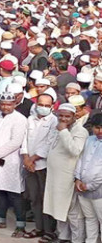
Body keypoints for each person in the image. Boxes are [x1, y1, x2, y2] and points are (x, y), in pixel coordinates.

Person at [0, 91, 29, 237]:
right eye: (3, 104)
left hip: (11, 162)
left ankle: (20, 225)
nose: (5, 107)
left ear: (14, 104)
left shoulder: (20, 119)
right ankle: (0, 219)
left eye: (9, 104)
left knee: (14, 194)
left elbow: (16, 142)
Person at [44, 103, 90, 243]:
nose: (63, 119)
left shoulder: (80, 131)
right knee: (58, 208)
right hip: (54, 176)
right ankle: (63, 237)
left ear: (74, 117)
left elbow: (75, 150)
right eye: (61, 116)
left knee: (72, 212)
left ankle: (77, 240)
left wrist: (64, 131)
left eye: (67, 116)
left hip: (68, 177)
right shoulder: (57, 127)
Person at [20, 94, 59, 239]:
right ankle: (39, 227)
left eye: (46, 105)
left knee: (46, 198)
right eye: (40, 104)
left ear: (52, 106)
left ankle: (49, 231)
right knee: (34, 197)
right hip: (29, 165)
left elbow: (49, 143)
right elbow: (23, 139)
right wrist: (26, 157)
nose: (43, 107)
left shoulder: (54, 121)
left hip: (43, 165)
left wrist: (33, 158)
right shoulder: (30, 119)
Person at [74, 113, 102, 243]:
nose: (99, 131)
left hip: (99, 191)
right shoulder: (90, 140)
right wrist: (78, 179)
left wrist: (90, 185)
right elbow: (80, 159)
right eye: (97, 127)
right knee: (89, 218)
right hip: (83, 188)